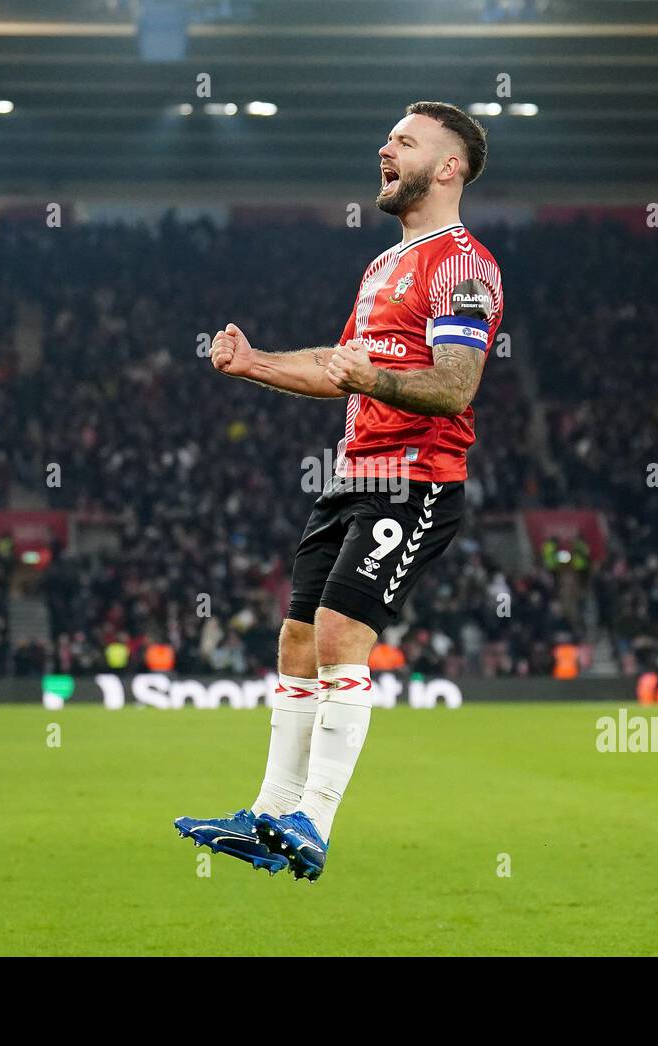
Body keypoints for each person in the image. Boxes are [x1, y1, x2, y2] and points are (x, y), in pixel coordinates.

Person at [175, 101, 504, 881]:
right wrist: (254, 363)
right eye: (386, 136)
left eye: (404, 141)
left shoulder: (464, 265)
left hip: (416, 481)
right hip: (352, 476)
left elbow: (457, 387)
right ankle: (265, 816)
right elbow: (339, 368)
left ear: (448, 167)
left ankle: (312, 822)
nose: (383, 148)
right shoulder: (384, 266)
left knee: (336, 636)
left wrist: (374, 375)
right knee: (294, 641)